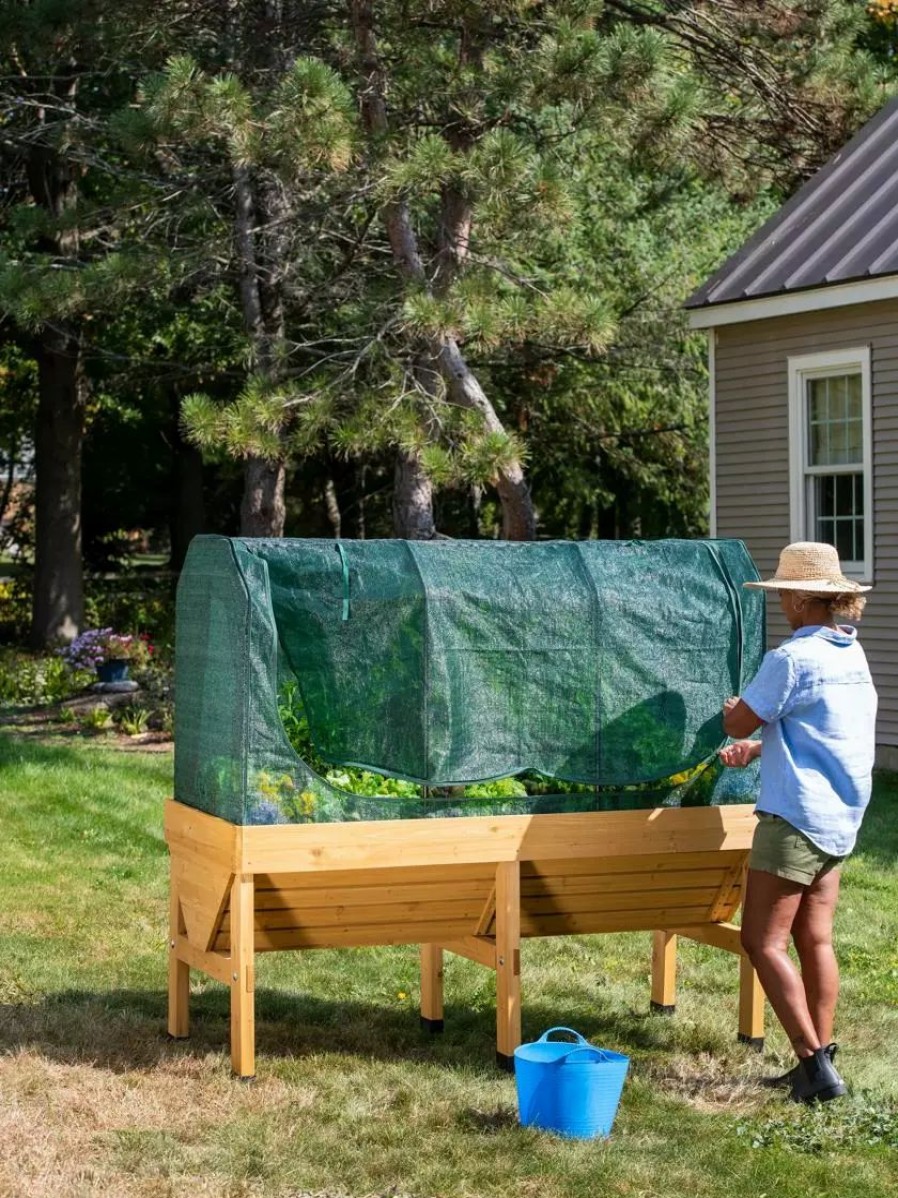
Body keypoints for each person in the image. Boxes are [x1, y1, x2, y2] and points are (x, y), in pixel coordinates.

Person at [718, 541, 876, 1104]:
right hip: (839, 818)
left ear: (798, 597)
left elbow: (738, 721)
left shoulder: (791, 658)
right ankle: (822, 1054)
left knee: (762, 942)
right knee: (816, 940)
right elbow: (823, 731)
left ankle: (814, 1069)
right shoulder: (850, 654)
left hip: (794, 820)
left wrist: (732, 712)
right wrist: (765, 750)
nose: (782, 599)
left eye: (785, 591)